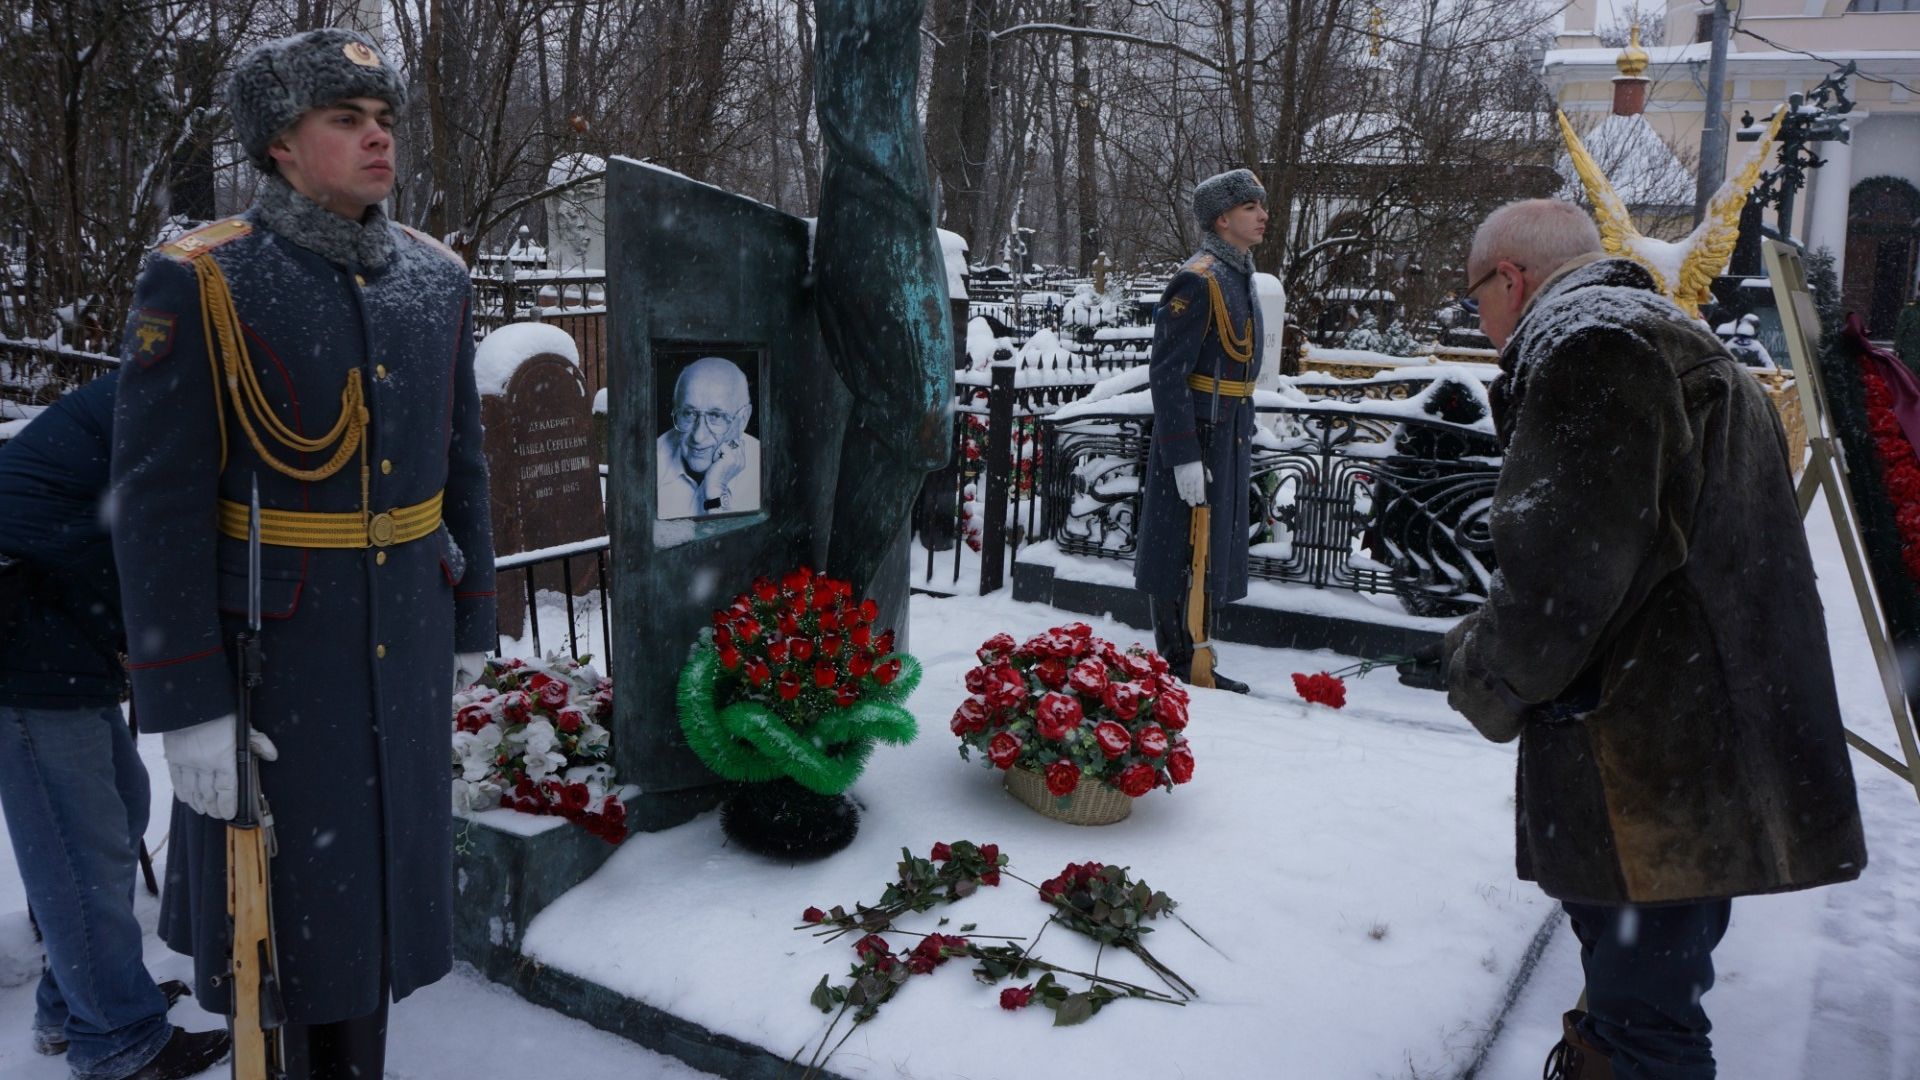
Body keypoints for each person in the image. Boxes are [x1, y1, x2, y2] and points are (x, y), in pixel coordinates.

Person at [108, 28, 496, 1079]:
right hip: (277, 662)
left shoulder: (435, 278)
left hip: (403, 643)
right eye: (345, 122)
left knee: (372, 918)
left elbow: (462, 469)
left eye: (384, 123)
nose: (378, 143)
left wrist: (470, 629)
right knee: (279, 930)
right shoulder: (206, 280)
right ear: (279, 145)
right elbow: (157, 509)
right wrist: (185, 701)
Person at [1441, 199, 1866, 1080]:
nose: (1477, 322)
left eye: (1474, 295)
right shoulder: (1665, 332)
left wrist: (1481, 671)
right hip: (1699, 757)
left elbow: (1559, 585)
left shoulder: (1594, 348)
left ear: (1510, 278)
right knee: (1644, 1000)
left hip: (1649, 773)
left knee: (1643, 1030)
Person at [0, 371, 229, 1080]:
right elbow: (135, 541)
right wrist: (147, 632)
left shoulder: (172, 396)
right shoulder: (167, 401)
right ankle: (119, 1043)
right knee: (79, 849)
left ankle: (77, 1005)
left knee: (120, 810)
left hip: (63, 639)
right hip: (26, 647)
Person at [1134, 167, 1267, 693]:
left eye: (1261, 206)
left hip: (1228, 428)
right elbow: (1167, 373)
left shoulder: (1237, 273)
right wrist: (1182, 453)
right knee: (1177, 548)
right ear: (1223, 218)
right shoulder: (1200, 277)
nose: (1262, 216)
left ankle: (1199, 655)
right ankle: (1176, 659)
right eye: (1252, 207)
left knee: (1211, 546)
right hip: (1199, 433)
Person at [656, 355, 761, 519]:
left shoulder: (766, 470)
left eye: (716, 416)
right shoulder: (648, 464)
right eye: (689, 413)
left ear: (744, 418)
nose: (698, 437)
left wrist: (716, 491)